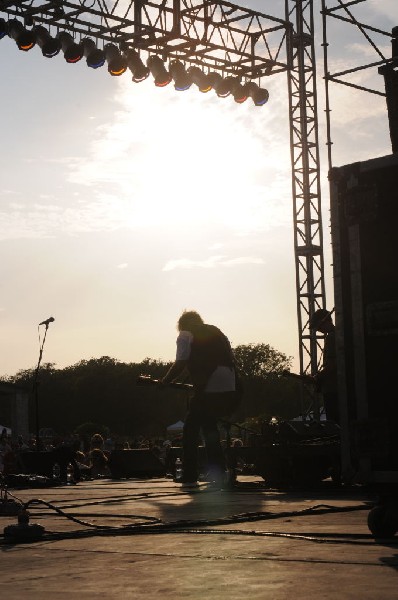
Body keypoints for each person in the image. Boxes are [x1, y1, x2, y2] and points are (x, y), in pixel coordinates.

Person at [160, 310, 243, 490]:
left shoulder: (185, 334)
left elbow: (181, 362)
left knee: (190, 429)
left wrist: (165, 381)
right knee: (209, 427)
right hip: (229, 384)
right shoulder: (216, 331)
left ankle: (190, 475)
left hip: (209, 384)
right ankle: (219, 472)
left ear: (182, 324)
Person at [309, 308, 339, 424]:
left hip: (333, 390)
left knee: (334, 425)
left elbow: (332, 365)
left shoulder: (332, 337)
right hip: (335, 388)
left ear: (325, 321)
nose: (318, 329)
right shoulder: (336, 335)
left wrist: (318, 377)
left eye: (319, 326)